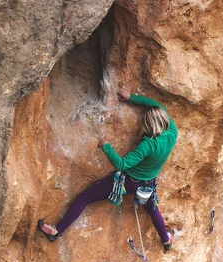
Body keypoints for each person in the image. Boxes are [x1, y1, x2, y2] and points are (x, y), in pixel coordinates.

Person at [37, 88, 178, 250]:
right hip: (148, 183)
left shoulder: (148, 145)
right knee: (152, 208)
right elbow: (157, 105)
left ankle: (56, 231)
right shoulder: (172, 133)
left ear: (149, 125)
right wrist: (131, 97)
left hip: (128, 182)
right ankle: (166, 239)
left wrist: (106, 147)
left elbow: (122, 165)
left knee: (84, 198)